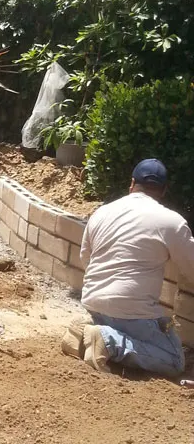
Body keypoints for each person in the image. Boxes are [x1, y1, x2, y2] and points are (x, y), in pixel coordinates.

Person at [61, 159, 194, 377]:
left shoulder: (102, 212)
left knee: (154, 322)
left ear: (132, 184)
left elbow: (86, 257)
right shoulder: (172, 222)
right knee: (175, 359)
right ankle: (107, 340)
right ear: (164, 190)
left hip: (94, 302)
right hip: (131, 313)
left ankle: (85, 333)